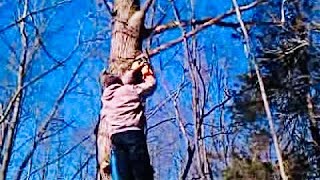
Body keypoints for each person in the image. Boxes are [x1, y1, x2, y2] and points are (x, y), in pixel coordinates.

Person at [98, 59, 156, 180]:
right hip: (132, 133)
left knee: (124, 172)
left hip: (116, 137)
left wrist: (132, 70)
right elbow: (150, 85)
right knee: (140, 169)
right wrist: (146, 72)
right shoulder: (129, 90)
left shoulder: (106, 99)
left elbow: (123, 81)